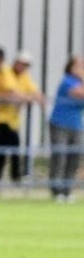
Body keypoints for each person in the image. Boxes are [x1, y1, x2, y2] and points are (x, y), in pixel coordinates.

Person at [0, 50, 43, 195]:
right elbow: (12, 93)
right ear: (16, 62)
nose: (24, 67)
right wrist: (24, 97)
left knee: (1, 152)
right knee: (12, 143)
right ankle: (16, 175)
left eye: (26, 65)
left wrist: (26, 97)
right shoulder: (6, 72)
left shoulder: (24, 77)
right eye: (22, 64)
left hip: (13, 121)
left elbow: (35, 93)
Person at [47, 54, 84, 203]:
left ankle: (67, 189)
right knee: (60, 156)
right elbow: (80, 93)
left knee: (74, 157)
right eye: (79, 65)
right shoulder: (67, 81)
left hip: (76, 125)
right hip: (60, 124)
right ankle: (56, 190)